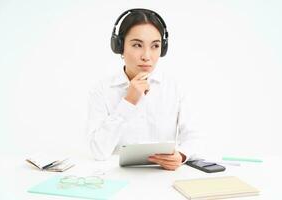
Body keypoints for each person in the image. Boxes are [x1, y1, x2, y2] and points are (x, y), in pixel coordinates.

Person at [87, 8, 204, 170]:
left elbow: (194, 137)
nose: (147, 56)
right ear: (120, 46)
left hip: (163, 178)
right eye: (137, 45)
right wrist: (129, 101)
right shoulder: (102, 90)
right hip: (115, 177)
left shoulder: (175, 87)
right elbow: (99, 152)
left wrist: (182, 155)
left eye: (155, 46)